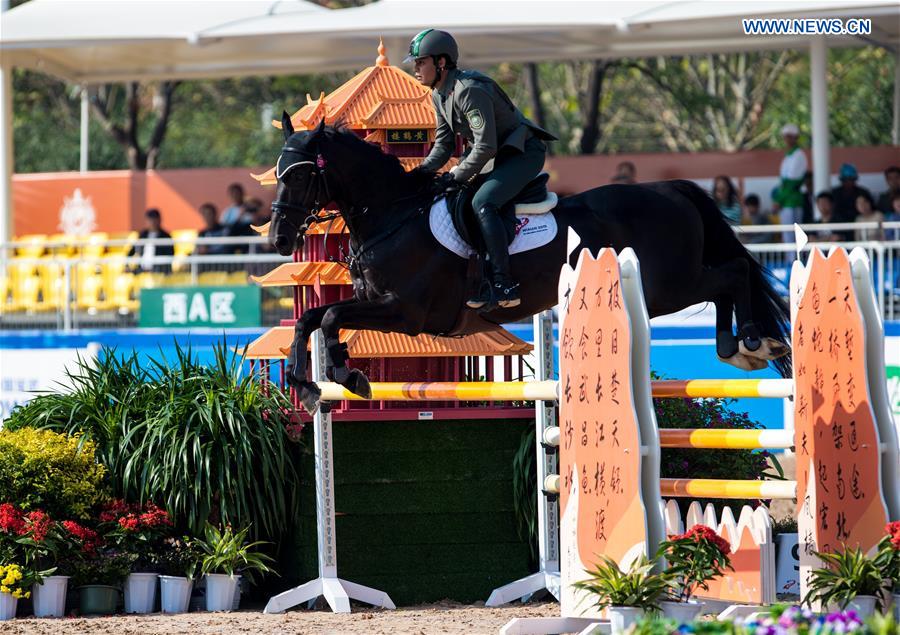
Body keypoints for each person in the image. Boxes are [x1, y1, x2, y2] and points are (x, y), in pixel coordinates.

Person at [406, 28, 557, 310]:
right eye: (415, 63)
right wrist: (419, 175)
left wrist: (454, 175)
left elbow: (485, 146)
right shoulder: (438, 95)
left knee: (483, 202)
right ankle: (480, 277)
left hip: (522, 153)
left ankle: (504, 282)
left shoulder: (468, 90)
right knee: (457, 201)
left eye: (420, 62)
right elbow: (443, 145)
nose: (415, 68)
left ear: (441, 63)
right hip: (497, 156)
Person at [771, 124, 807, 243]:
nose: (787, 139)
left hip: (792, 201)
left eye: (790, 136)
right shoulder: (789, 155)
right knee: (788, 237)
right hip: (786, 201)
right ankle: (790, 261)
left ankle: (795, 262)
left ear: (796, 137)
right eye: (786, 136)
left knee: (794, 238)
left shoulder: (798, 155)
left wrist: (778, 201)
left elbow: (791, 184)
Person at [131, 208, 174, 272]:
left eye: (154, 219)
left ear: (159, 220)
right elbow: (132, 251)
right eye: (150, 220)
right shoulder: (142, 235)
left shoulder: (166, 236)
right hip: (142, 270)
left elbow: (170, 255)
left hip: (158, 270)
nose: (152, 223)